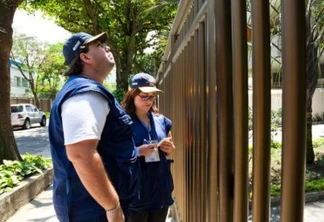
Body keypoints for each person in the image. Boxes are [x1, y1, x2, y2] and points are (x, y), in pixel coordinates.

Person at [48, 32, 155, 222]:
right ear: (85, 57)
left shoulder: (86, 90)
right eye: (98, 45)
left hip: (94, 206)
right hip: (94, 210)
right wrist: (112, 206)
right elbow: (81, 153)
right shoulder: (85, 93)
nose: (107, 48)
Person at [121, 73, 176, 222]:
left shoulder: (162, 121)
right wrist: (138, 151)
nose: (148, 101)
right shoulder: (122, 123)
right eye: (144, 96)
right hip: (136, 191)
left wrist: (169, 148)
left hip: (160, 188)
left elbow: (172, 148)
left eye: (151, 96)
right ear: (132, 95)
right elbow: (115, 154)